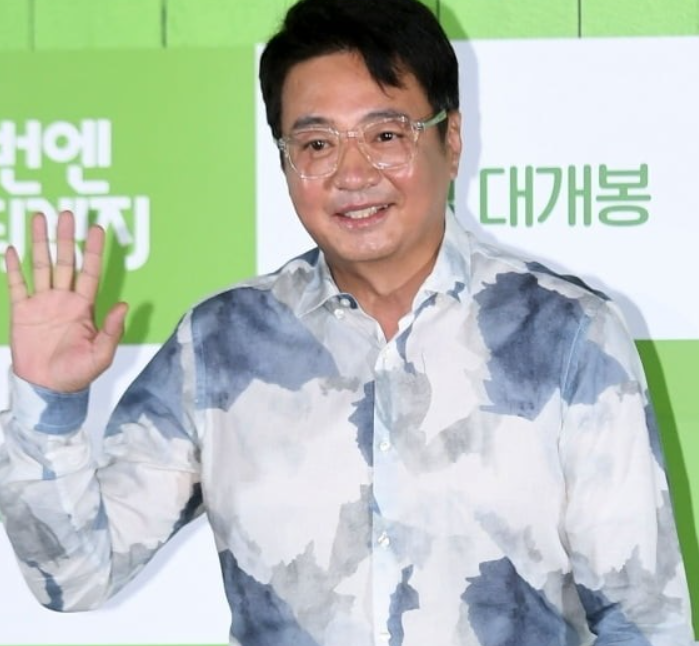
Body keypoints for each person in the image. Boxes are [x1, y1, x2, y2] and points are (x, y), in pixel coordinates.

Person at [0, 0, 693, 643]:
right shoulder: (218, 345)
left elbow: (644, 622)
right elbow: (78, 575)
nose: (352, 173)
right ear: (284, 160)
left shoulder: (567, 335)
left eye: (386, 134)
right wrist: (46, 403)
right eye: (316, 144)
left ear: (451, 139)